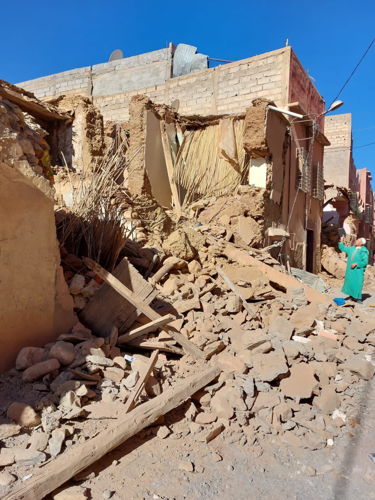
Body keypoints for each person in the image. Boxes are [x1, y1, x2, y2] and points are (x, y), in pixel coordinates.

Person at [338, 237, 369, 303]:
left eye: (358, 240)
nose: (356, 240)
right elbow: (343, 248)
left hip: (358, 271)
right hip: (350, 270)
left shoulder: (364, 251)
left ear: (361, 243)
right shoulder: (351, 248)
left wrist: (357, 264)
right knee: (350, 283)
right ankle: (351, 296)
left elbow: (365, 262)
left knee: (358, 283)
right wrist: (341, 241)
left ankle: (358, 298)